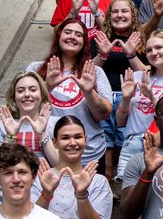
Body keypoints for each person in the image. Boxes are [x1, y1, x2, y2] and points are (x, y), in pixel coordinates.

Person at [29, 18, 114, 171]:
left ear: (84, 42)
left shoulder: (95, 72)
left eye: (78, 34)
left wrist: (89, 92)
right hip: (48, 151)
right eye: (67, 32)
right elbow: (25, 108)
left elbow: (104, 114)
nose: (72, 37)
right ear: (59, 36)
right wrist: (47, 86)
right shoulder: (36, 68)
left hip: (90, 154)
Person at [114, 29, 163, 179]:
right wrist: (126, 98)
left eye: (159, 47)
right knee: (129, 197)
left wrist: (152, 97)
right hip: (132, 145)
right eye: (149, 50)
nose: (154, 53)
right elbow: (120, 122)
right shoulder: (136, 77)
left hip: (162, 145)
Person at [92, 0, 146, 177]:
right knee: (106, 141)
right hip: (104, 98)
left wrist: (132, 55)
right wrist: (103, 55)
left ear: (133, 15)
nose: (120, 15)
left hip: (130, 99)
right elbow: (88, 71)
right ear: (108, 16)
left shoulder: (141, 40)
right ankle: (107, 185)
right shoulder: (100, 39)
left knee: (125, 141)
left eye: (124, 11)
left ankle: (123, 184)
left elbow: (147, 73)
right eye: (115, 11)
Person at [0, 71, 57, 174]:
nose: (27, 94)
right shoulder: (1, 127)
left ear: (42, 95)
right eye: (20, 91)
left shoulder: (56, 124)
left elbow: (61, 165)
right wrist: (10, 138)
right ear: (14, 97)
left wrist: (42, 135)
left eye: (33, 89)